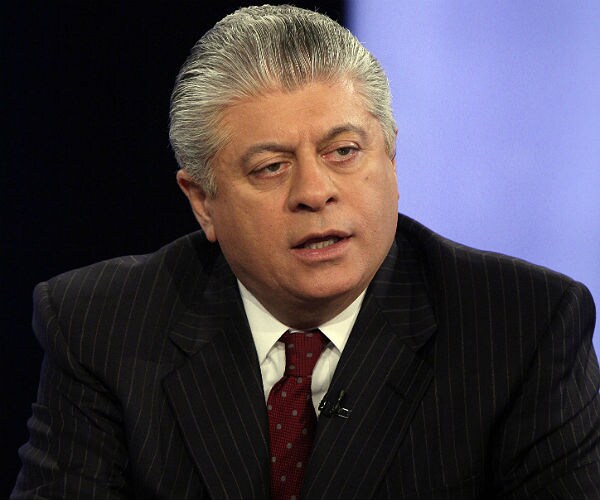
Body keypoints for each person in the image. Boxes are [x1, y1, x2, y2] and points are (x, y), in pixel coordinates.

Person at [12, 5, 600, 499]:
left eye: (344, 151)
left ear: (391, 161)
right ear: (203, 202)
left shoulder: (523, 326)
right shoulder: (100, 327)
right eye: (271, 167)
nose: (315, 192)